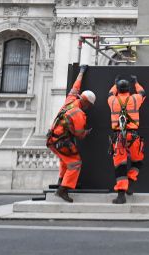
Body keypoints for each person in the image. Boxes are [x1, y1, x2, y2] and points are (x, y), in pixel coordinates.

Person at [45, 65, 95, 202]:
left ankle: (61, 181)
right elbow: (79, 134)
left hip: (52, 139)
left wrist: (81, 72)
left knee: (65, 160)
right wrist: (86, 132)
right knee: (75, 163)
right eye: (89, 105)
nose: (89, 107)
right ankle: (63, 190)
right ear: (85, 102)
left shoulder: (70, 100)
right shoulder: (79, 114)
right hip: (62, 141)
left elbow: (75, 87)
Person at [108, 75, 146, 204]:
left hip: (119, 138)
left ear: (118, 89)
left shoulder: (112, 101)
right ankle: (130, 180)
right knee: (137, 162)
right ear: (129, 89)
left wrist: (114, 83)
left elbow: (110, 93)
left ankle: (121, 195)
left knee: (120, 166)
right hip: (133, 137)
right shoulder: (135, 99)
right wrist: (136, 81)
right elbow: (142, 92)